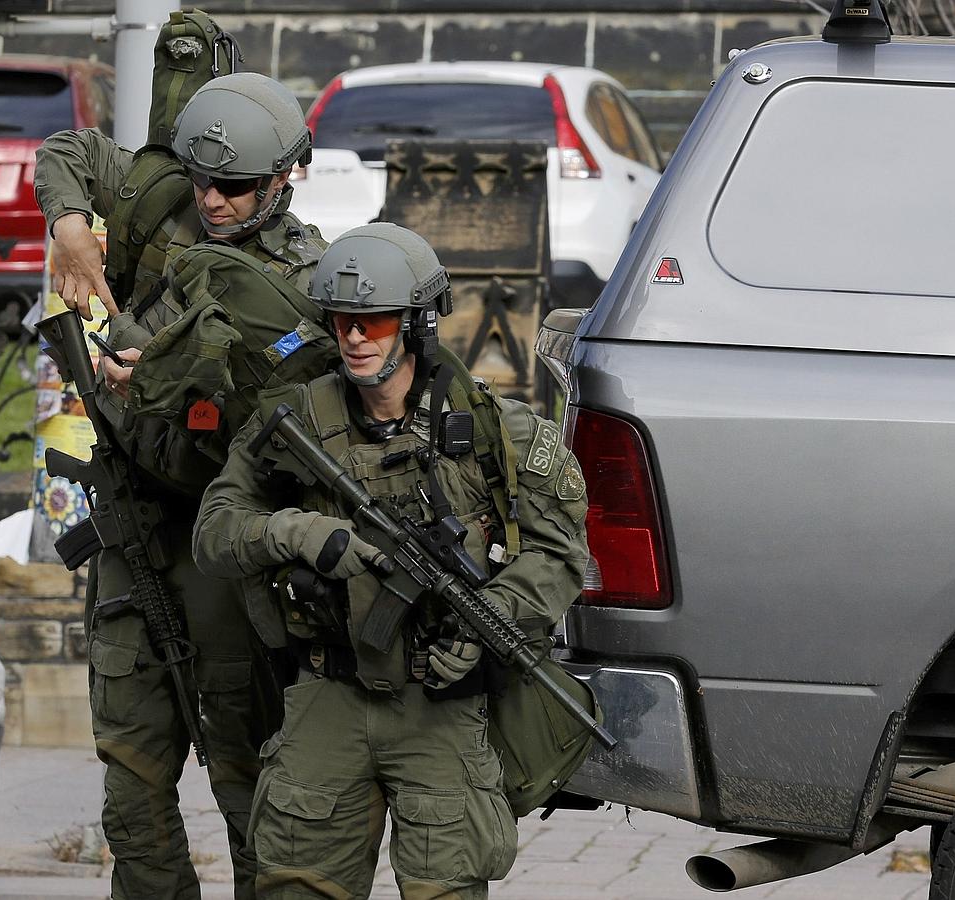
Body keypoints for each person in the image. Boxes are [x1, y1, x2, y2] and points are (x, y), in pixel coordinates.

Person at [191, 223, 591, 899]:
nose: (353, 337)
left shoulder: (495, 431)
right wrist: (300, 532)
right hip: (328, 695)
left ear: (414, 324)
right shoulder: (293, 421)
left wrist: (487, 618)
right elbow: (215, 532)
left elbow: (560, 554)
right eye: (343, 320)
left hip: (439, 708)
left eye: (372, 321)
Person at [34, 71, 331, 900]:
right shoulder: (169, 201)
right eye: (203, 181)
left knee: (245, 783)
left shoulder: (302, 285)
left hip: (226, 547)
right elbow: (65, 151)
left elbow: (296, 429)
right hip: (133, 527)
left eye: (235, 187)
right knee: (131, 786)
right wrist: (68, 226)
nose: (214, 201)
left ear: (284, 179)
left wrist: (175, 382)